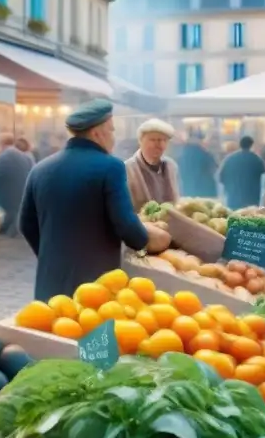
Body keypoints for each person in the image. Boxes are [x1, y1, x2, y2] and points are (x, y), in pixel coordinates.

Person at [18, 99, 171, 301]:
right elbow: (125, 223)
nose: (114, 138)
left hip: (50, 282)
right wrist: (148, 241)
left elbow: (26, 224)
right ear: (97, 133)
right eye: (112, 131)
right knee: (97, 333)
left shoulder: (40, 169)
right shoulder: (111, 167)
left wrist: (50, 255)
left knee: (50, 330)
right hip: (95, 284)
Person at [124, 118, 181, 211]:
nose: (159, 145)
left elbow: (177, 200)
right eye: (154, 140)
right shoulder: (127, 169)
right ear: (140, 141)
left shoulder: (171, 166)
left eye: (164, 140)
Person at [0, 132, 32, 237]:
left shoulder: (3, 158)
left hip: (5, 215)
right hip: (24, 213)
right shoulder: (27, 159)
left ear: (1, 144)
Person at [217, 135, 265, 210]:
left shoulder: (230, 159)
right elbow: (263, 173)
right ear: (251, 145)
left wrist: (229, 187)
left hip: (233, 199)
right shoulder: (256, 159)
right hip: (251, 199)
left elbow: (221, 177)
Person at [176, 130, 218, 197]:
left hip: (187, 190)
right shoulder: (206, 154)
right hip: (205, 191)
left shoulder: (181, 156)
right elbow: (214, 168)